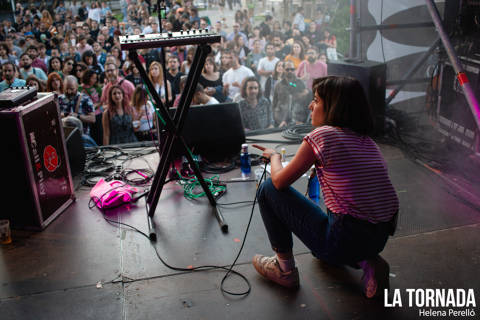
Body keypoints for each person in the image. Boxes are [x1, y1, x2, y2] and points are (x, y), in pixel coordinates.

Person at [252, 76, 399, 298]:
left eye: (316, 100)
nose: (310, 105)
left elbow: (279, 181)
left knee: (268, 190)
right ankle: (369, 261)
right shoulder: (366, 142)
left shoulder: (323, 135)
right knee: (337, 224)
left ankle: (284, 270)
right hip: (378, 238)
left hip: (344, 240)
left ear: (334, 107)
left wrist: (273, 157)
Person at [272, 61, 310, 127]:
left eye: (292, 69)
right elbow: (274, 103)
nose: (290, 71)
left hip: (298, 120)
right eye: (287, 69)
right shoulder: (278, 84)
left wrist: (303, 120)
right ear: (283, 69)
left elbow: (306, 104)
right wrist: (276, 119)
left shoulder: (300, 82)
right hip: (281, 120)